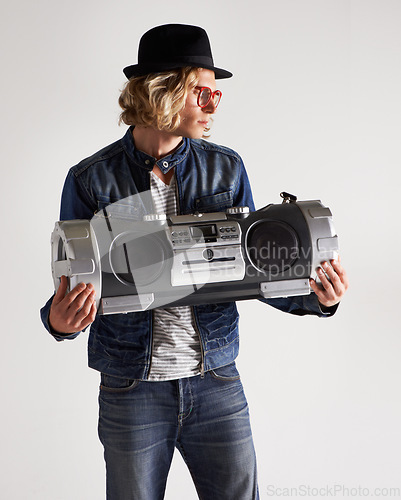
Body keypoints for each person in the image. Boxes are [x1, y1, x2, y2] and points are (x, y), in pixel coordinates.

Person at [40, 24, 349, 500]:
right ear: (163, 92)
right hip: (131, 387)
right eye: (202, 94)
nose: (213, 107)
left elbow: (253, 271)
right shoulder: (90, 179)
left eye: (217, 96)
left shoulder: (227, 167)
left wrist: (316, 299)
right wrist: (59, 322)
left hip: (216, 380)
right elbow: (73, 286)